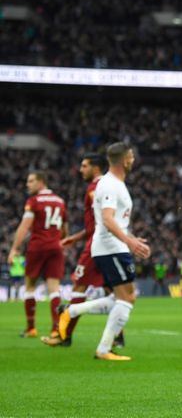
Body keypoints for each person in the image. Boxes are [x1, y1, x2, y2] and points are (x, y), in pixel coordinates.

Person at [59, 142, 151, 360]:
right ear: (124, 160)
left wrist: (129, 237)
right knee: (127, 298)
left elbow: (112, 219)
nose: (133, 160)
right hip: (110, 247)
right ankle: (103, 348)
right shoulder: (109, 184)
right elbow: (108, 219)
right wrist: (128, 241)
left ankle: (71, 312)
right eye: (131, 157)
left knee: (124, 298)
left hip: (113, 246)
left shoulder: (116, 183)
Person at [41, 153, 125, 347]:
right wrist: (75, 237)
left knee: (79, 287)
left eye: (84, 166)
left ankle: (65, 336)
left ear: (96, 168)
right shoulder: (108, 185)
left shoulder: (96, 188)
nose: (81, 170)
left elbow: (102, 220)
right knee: (114, 291)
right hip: (109, 244)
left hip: (97, 245)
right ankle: (118, 337)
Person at [7, 171, 68, 338]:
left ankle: (31, 328)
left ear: (41, 182)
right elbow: (65, 230)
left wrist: (14, 248)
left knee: (30, 287)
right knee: (54, 289)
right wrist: (57, 240)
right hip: (56, 247)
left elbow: (25, 226)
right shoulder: (60, 202)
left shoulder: (33, 201)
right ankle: (56, 329)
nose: (28, 184)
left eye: (31, 181)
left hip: (37, 247)